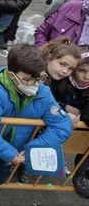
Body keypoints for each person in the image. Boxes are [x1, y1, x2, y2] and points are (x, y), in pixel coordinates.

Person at [0, 44, 73, 202]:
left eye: (39, 78)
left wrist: (31, 149)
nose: (35, 84)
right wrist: (11, 154)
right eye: (28, 79)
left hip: (17, 147)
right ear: (12, 75)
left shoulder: (43, 92)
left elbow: (62, 126)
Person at [51, 51, 89, 198]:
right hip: (52, 124)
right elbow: (45, 102)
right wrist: (64, 109)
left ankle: (80, 174)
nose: (86, 77)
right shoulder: (60, 81)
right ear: (73, 70)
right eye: (82, 71)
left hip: (79, 130)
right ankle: (27, 166)